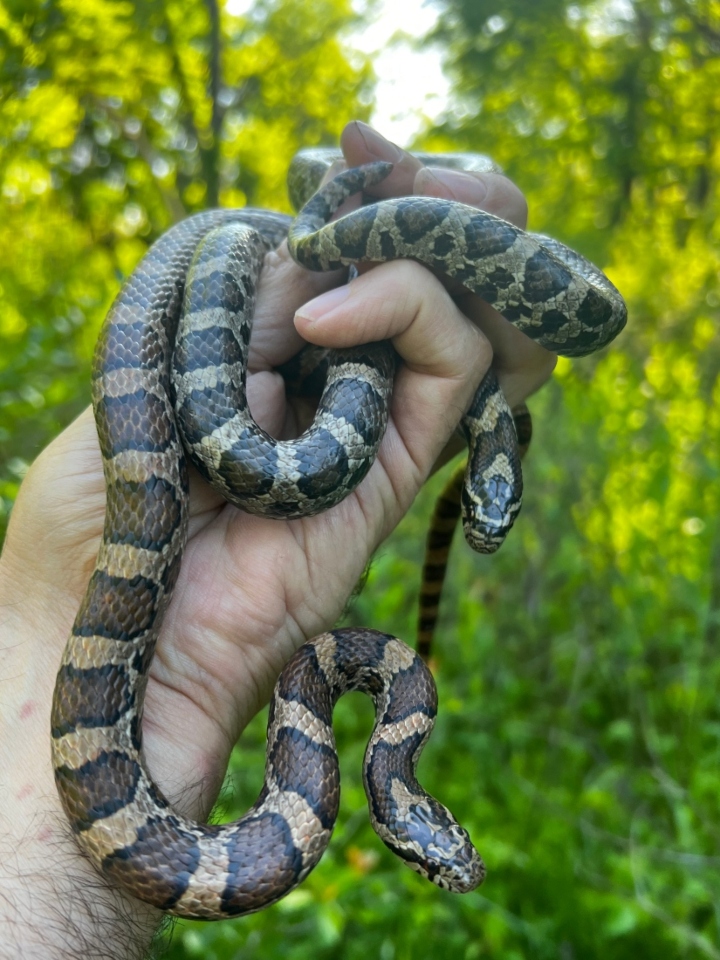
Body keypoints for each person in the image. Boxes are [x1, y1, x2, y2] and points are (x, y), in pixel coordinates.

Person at [0, 121, 555, 958]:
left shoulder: (361, 686)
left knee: (245, 248)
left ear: (407, 823)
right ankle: (266, 254)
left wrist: (188, 684)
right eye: (444, 855)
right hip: (251, 383)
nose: (450, 862)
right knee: (234, 244)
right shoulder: (386, 698)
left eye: (436, 862)